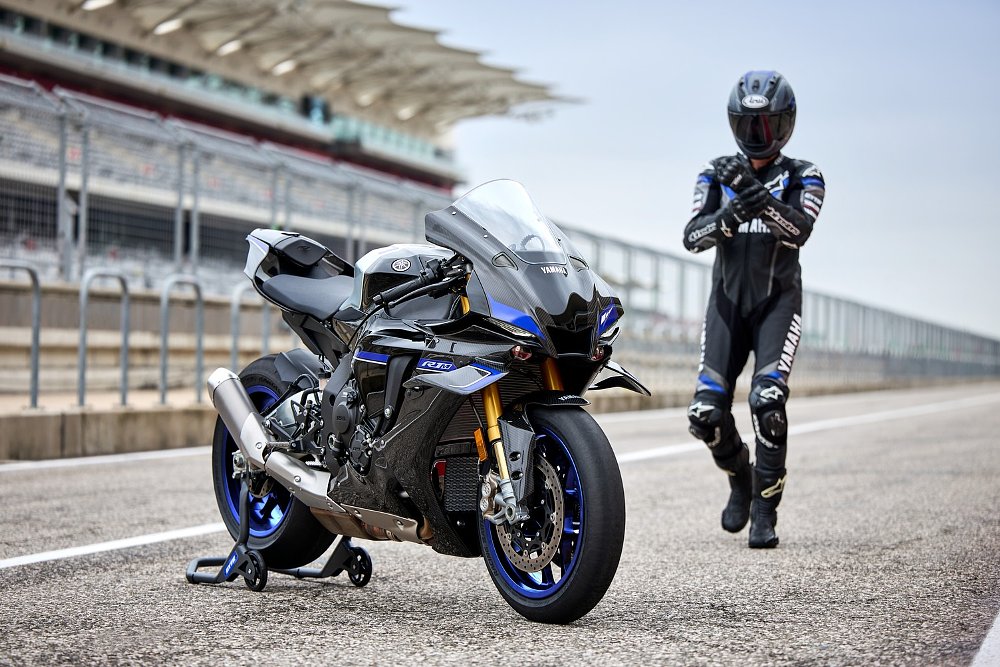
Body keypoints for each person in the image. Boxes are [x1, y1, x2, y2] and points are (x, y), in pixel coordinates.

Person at [682, 71, 825, 548]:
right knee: (704, 414)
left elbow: (799, 230)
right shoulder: (715, 173)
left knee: (768, 402)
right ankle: (740, 477)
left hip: (777, 306)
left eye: (765, 125)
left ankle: (765, 511)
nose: (756, 135)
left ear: (785, 124)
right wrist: (733, 210)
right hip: (726, 307)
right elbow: (693, 237)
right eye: (747, 125)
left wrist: (757, 197)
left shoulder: (806, 175)